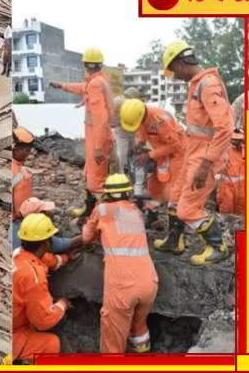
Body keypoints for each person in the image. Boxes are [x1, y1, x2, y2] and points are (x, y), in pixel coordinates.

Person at [159, 40, 234, 265]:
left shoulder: (208, 85)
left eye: (174, 71)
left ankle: (217, 245)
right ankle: (175, 241)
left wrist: (206, 165)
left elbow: (225, 128)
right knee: (174, 197)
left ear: (182, 63)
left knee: (187, 209)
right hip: (194, 153)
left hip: (205, 158)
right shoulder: (196, 83)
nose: (176, 77)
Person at [82, 174, 158, 353]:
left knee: (113, 341)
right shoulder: (136, 212)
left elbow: (87, 238)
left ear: (107, 193)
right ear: (129, 192)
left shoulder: (101, 210)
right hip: (149, 282)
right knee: (139, 327)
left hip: (122, 287)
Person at [50, 48, 115, 224]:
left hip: (98, 138)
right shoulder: (98, 81)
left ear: (85, 65)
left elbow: (101, 120)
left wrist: (99, 148)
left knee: (97, 182)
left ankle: (101, 220)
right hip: (96, 137)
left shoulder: (95, 84)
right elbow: (81, 88)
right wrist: (62, 85)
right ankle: (89, 208)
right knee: (89, 174)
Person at [119, 99, 186, 241]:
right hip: (161, 153)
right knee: (154, 187)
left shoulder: (160, 120)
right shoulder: (141, 117)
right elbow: (144, 133)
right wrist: (140, 144)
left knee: (172, 192)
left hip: (177, 155)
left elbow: (176, 145)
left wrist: (148, 155)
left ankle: (175, 236)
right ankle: (152, 217)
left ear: (142, 115)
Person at [12, 213, 71, 363]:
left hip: (15, 317)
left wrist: (66, 258)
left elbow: (46, 260)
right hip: (14, 333)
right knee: (52, 343)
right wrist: (62, 304)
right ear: (46, 243)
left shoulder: (18, 254)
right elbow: (44, 320)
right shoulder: (33, 278)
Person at [12, 127, 35, 248]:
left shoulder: (20, 168)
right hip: (16, 221)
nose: (28, 153)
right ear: (15, 148)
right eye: (26, 150)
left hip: (24, 217)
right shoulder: (13, 170)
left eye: (29, 150)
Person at [217, 131, 245, 214]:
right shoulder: (224, 150)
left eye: (238, 139)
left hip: (242, 188)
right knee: (226, 208)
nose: (235, 141)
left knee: (241, 212)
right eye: (234, 139)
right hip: (227, 187)